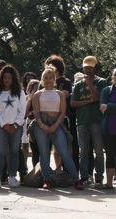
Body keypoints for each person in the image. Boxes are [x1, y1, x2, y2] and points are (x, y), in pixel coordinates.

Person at [32, 68, 82, 190]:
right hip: (41, 125)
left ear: (54, 79)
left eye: (50, 78)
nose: (48, 80)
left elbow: (62, 112)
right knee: (44, 154)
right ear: (42, 80)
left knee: (65, 153)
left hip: (57, 124)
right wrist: (43, 125)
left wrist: (54, 126)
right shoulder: (37, 94)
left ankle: (76, 179)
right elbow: (36, 113)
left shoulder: (59, 94)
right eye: (45, 78)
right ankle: (46, 179)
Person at [71, 56, 108, 188]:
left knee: (98, 151)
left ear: (94, 68)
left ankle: (99, 178)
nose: (87, 70)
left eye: (90, 68)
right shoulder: (78, 84)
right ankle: (85, 177)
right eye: (85, 68)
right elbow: (73, 103)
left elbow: (99, 98)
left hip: (97, 121)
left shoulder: (102, 82)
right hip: (82, 122)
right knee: (84, 152)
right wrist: (87, 102)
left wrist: (90, 84)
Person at [0, 65, 27, 189]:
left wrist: (16, 124)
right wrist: (4, 125)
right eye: (5, 78)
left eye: (9, 78)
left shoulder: (20, 92)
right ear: (1, 78)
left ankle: (12, 177)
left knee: (14, 152)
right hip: (1, 128)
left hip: (17, 127)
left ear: (13, 79)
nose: (7, 80)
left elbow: (22, 110)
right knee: (0, 153)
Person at [99, 67, 116, 189]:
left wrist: (109, 106)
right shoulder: (106, 90)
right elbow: (102, 107)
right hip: (108, 129)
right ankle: (109, 183)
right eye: (115, 75)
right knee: (110, 155)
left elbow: (106, 106)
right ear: (112, 77)